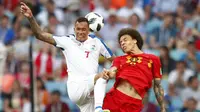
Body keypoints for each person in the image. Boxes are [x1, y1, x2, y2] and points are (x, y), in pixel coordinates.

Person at [20, 2, 114, 112]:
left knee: (104, 76)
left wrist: (114, 71)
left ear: (89, 30)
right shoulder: (67, 41)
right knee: (101, 76)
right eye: (78, 29)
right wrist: (31, 18)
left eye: (83, 29)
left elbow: (115, 60)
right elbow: (40, 35)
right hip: (76, 87)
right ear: (74, 29)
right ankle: (99, 109)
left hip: (89, 92)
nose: (80, 32)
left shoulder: (97, 42)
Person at [94, 28, 166, 112]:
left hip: (134, 105)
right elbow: (112, 71)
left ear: (135, 40)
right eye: (120, 42)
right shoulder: (119, 59)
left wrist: (162, 107)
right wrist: (108, 73)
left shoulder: (153, 59)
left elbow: (157, 86)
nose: (122, 43)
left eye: (125, 40)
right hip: (115, 99)